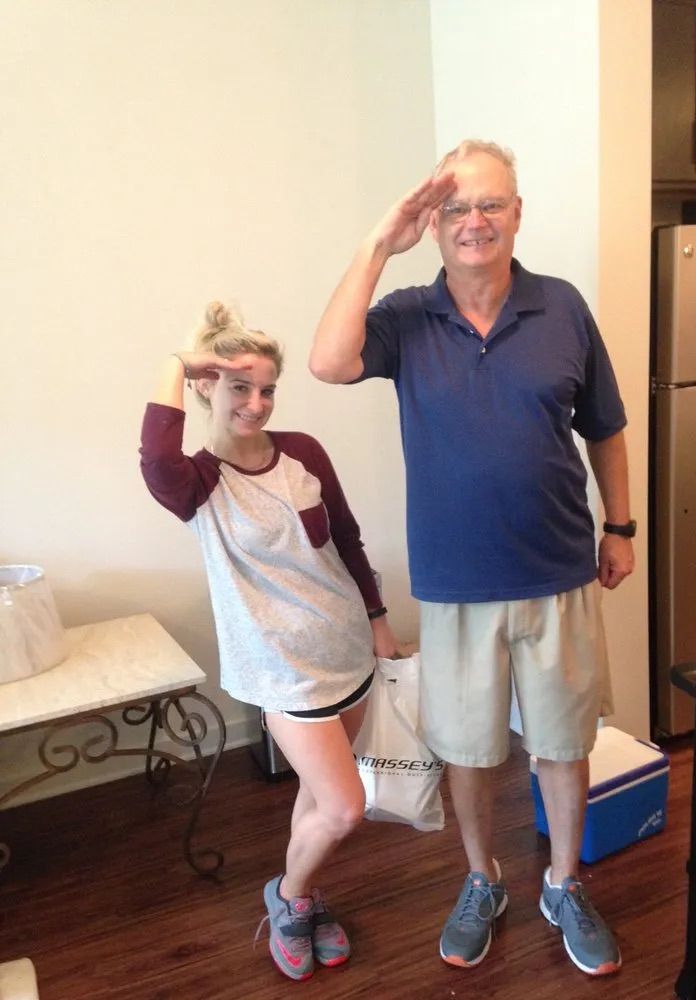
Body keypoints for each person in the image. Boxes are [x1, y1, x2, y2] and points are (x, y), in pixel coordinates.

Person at [309, 140, 635, 977]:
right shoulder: (408, 316)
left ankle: (563, 881)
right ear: (436, 223)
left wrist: (621, 527)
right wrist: (382, 241)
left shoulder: (562, 307)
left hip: (559, 571)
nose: (474, 222)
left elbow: (604, 425)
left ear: (518, 213)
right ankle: (481, 880)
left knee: (562, 743)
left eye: (490, 204)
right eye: (456, 208)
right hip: (455, 585)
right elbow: (328, 361)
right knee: (469, 749)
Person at [140, 302, 396, 982]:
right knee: (346, 808)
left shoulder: (304, 452)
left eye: (266, 389)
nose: (256, 404)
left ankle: (303, 895)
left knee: (318, 800)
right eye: (238, 388)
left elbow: (344, 534)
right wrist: (178, 363)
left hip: (346, 649)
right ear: (205, 387)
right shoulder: (195, 482)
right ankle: (287, 898)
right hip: (282, 671)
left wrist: (377, 617)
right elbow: (155, 453)